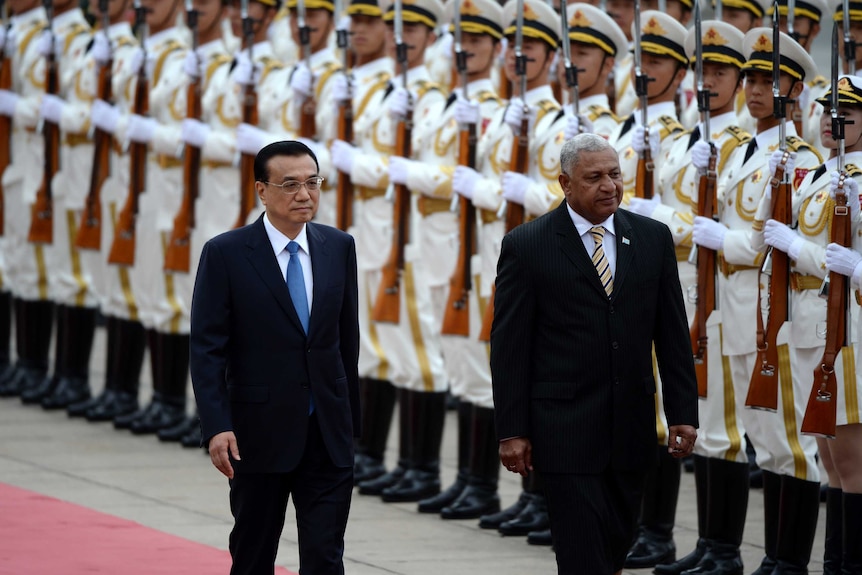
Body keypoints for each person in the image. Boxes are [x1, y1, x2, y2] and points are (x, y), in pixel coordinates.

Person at [490, 132, 699, 575]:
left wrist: (683, 411)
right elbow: (509, 349)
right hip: (564, 430)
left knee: (616, 545)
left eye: (614, 174)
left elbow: (673, 334)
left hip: (630, 427)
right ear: (565, 183)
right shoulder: (528, 245)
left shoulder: (652, 238)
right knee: (582, 553)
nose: (609, 186)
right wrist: (512, 430)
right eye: (594, 177)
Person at [190, 140, 360, 574]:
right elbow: (207, 349)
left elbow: (345, 343)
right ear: (262, 191)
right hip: (257, 436)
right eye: (290, 185)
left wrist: (350, 423)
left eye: (313, 182)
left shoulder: (338, 247)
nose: (304, 195)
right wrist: (217, 425)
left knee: (325, 557)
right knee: (253, 553)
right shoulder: (226, 253)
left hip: (326, 433)